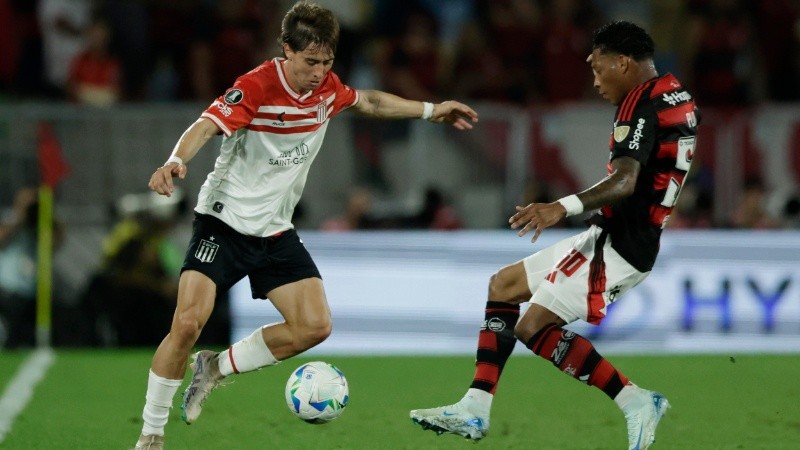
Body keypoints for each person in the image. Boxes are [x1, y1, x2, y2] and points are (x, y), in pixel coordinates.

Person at [132, 2, 478, 449]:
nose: (319, 72)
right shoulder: (254, 86)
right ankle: (151, 435)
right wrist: (176, 160)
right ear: (286, 51)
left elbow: (369, 100)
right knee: (186, 325)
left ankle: (214, 369)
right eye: (311, 62)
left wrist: (432, 110)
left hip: (274, 230)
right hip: (223, 222)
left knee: (314, 326)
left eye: (327, 62)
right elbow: (205, 124)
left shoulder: (327, 89)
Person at [410, 21, 699, 450]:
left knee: (532, 328)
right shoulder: (675, 92)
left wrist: (558, 207)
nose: (595, 79)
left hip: (621, 246)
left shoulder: (639, 105)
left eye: (599, 69)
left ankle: (635, 400)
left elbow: (625, 181)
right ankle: (474, 407)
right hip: (616, 234)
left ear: (623, 62)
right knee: (503, 286)